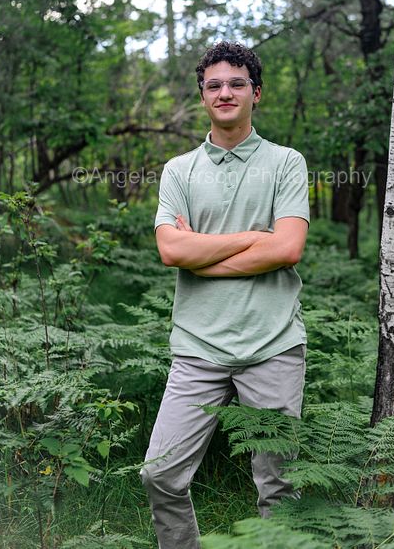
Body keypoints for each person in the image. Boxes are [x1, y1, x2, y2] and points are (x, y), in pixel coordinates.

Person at [141, 40, 310, 549]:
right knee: (159, 475)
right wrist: (254, 238)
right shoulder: (179, 170)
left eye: (237, 83)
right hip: (197, 348)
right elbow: (171, 251)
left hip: (273, 344)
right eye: (214, 85)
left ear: (256, 93)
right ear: (202, 97)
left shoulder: (285, 163)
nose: (225, 92)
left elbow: (288, 249)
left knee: (279, 486)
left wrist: (204, 257)